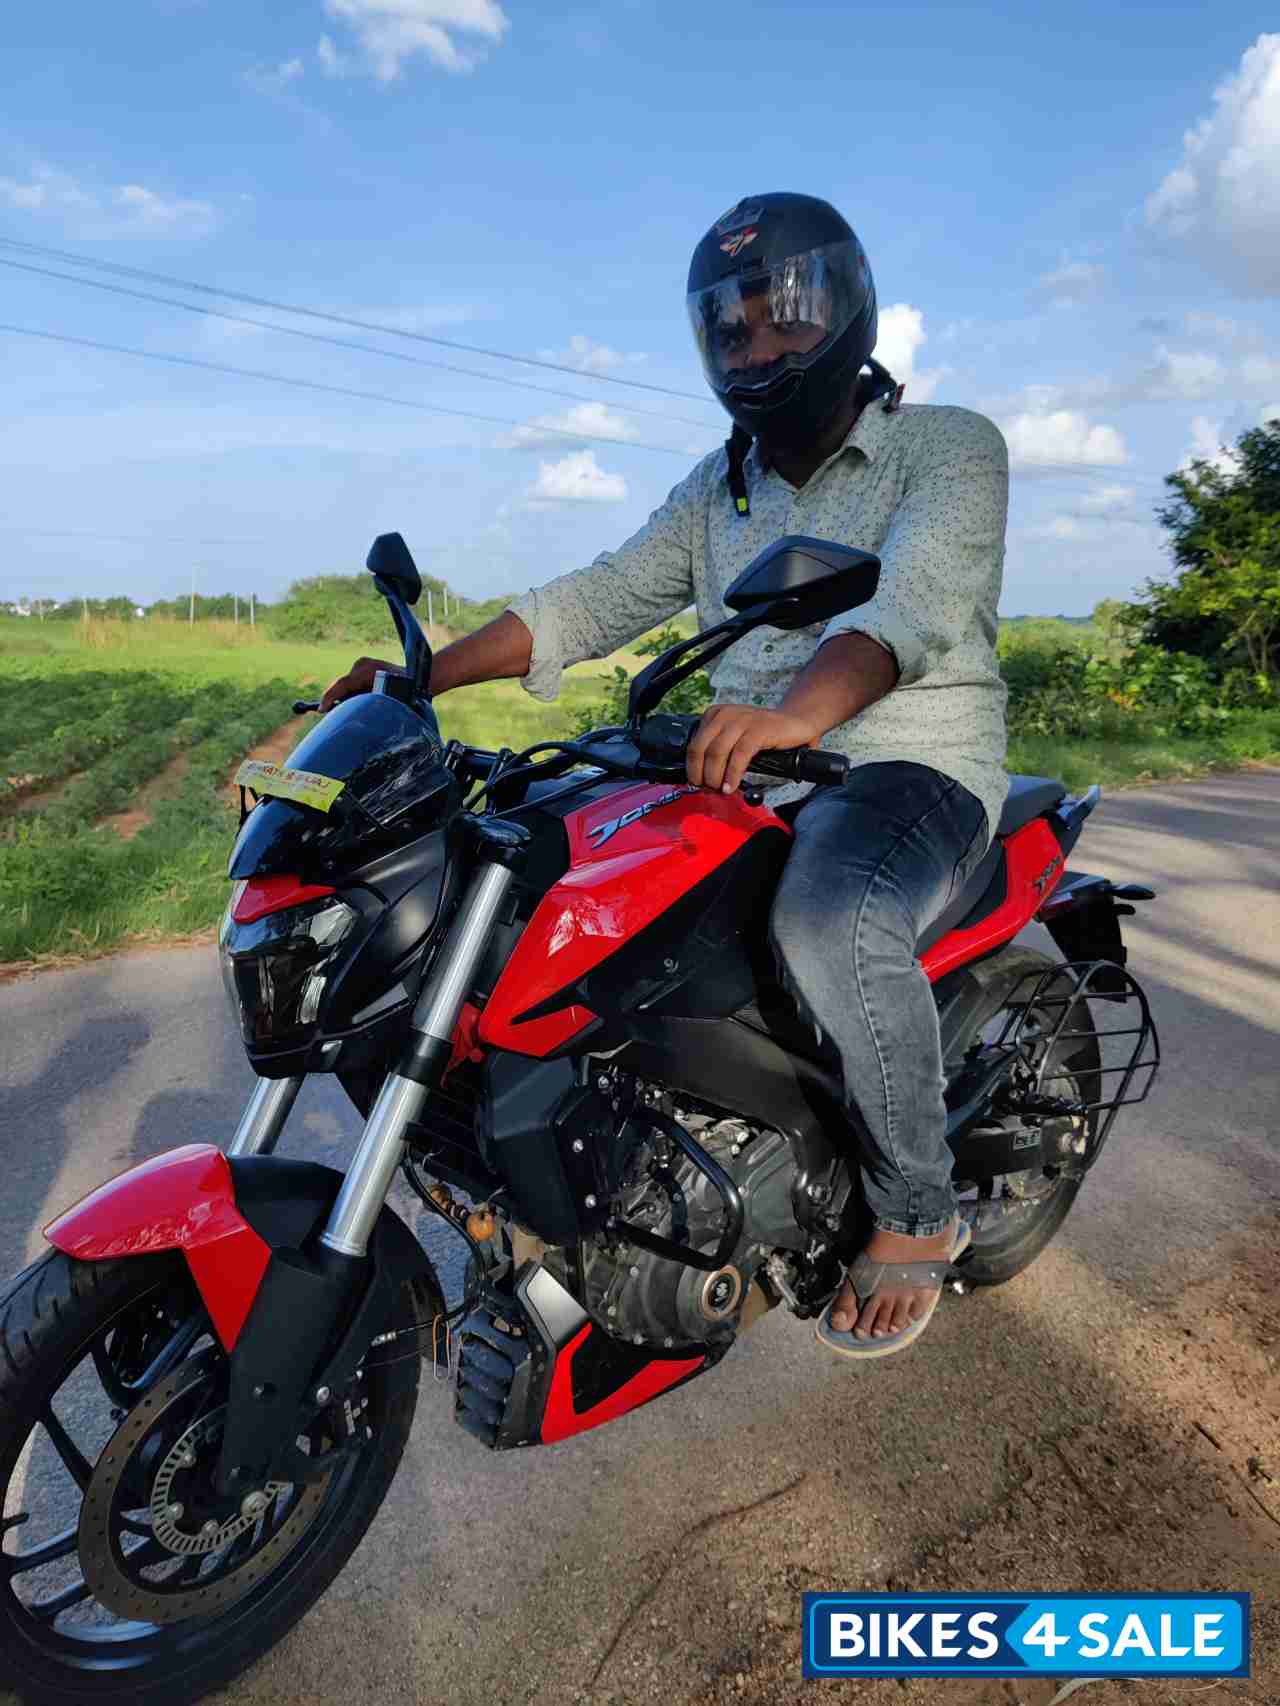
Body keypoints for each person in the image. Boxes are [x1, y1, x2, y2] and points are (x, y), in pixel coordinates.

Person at [324, 192, 1010, 1359]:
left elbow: (911, 607)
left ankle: (912, 1209)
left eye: (783, 318)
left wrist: (793, 711)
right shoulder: (718, 485)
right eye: (730, 331)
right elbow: (593, 598)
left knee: (832, 918)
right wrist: (416, 678)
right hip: (739, 758)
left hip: (905, 759)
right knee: (533, 886)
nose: (757, 348)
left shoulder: (943, 446)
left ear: (846, 309)